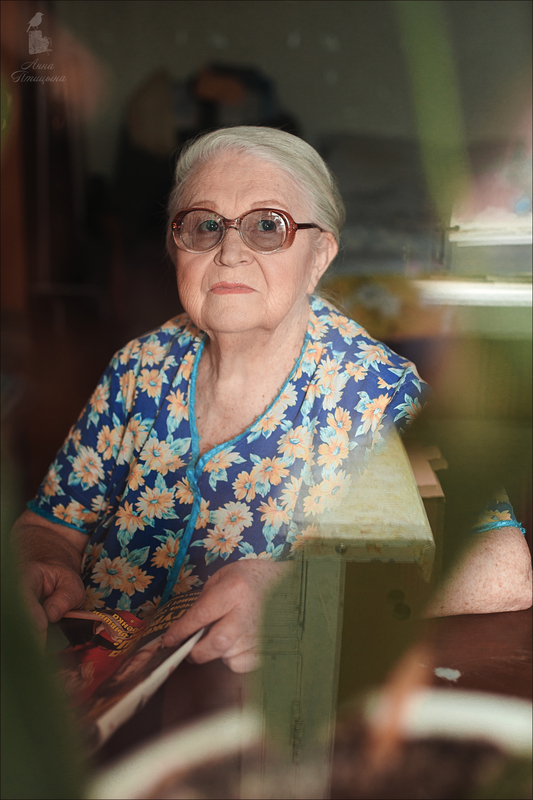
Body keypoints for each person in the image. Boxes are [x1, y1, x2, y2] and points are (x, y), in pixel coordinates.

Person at [13, 127, 531, 673]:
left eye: (267, 226)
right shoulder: (140, 368)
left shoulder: (376, 393)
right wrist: (42, 564)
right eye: (205, 225)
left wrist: (302, 591)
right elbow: (48, 527)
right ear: (175, 248)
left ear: (319, 256)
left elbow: (503, 565)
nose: (230, 252)